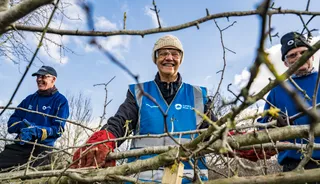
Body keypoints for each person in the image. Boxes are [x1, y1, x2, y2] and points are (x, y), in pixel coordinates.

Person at [71, 35, 217, 183]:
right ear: (156, 58)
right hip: (142, 180)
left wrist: (235, 139)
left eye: (174, 53)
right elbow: (121, 121)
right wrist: (102, 140)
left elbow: (216, 129)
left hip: (188, 179)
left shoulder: (198, 95)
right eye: (163, 53)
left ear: (180, 59)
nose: (169, 58)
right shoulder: (139, 92)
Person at [258, 31, 320, 173]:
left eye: (303, 52)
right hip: (293, 166)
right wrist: (274, 124)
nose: (299, 57)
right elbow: (263, 128)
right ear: (286, 62)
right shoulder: (277, 90)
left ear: (312, 55)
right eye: (292, 55)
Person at [0, 66, 69, 170]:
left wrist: (38, 131)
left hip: (43, 149)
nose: (39, 79)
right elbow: (11, 123)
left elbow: (58, 129)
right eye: (37, 76)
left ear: (53, 79)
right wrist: (21, 126)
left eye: (43, 76)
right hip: (21, 145)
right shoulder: (29, 99)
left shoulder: (61, 101)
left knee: (36, 177)